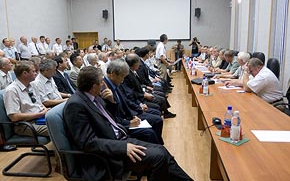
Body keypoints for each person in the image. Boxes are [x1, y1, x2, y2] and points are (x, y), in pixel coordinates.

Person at [63, 66, 193, 181]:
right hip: (109, 153)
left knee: (162, 151)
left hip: (119, 139)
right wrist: (122, 148)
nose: (103, 84)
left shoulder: (93, 97)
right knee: (158, 157)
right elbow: (88, 143)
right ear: (93, 86)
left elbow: (110, 120)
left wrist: (111, 101)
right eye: (101, 81)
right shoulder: (75, 105)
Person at [104, 59, 164, 144]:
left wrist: (133, 115)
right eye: (122, 77)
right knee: (150, 132)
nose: (122, 80)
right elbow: (111, 116)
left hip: (128, 115)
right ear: (113, 74)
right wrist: (129, 122)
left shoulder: (115, 83)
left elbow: (125, 102)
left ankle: (159, 148)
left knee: (156, 120)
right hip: (121, 124)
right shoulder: (105, 89)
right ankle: (157, 149)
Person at [4, 61, 49, 136]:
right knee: (58, 128)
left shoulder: (33, 85)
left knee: (64, 122)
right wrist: (39, 114)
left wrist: (45, 110)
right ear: (25, 73)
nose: (36, 73)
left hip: (40, 118)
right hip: (25, 125)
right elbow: (14, 117)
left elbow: (39, 103)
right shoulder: (11, 90)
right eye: (33, 71)